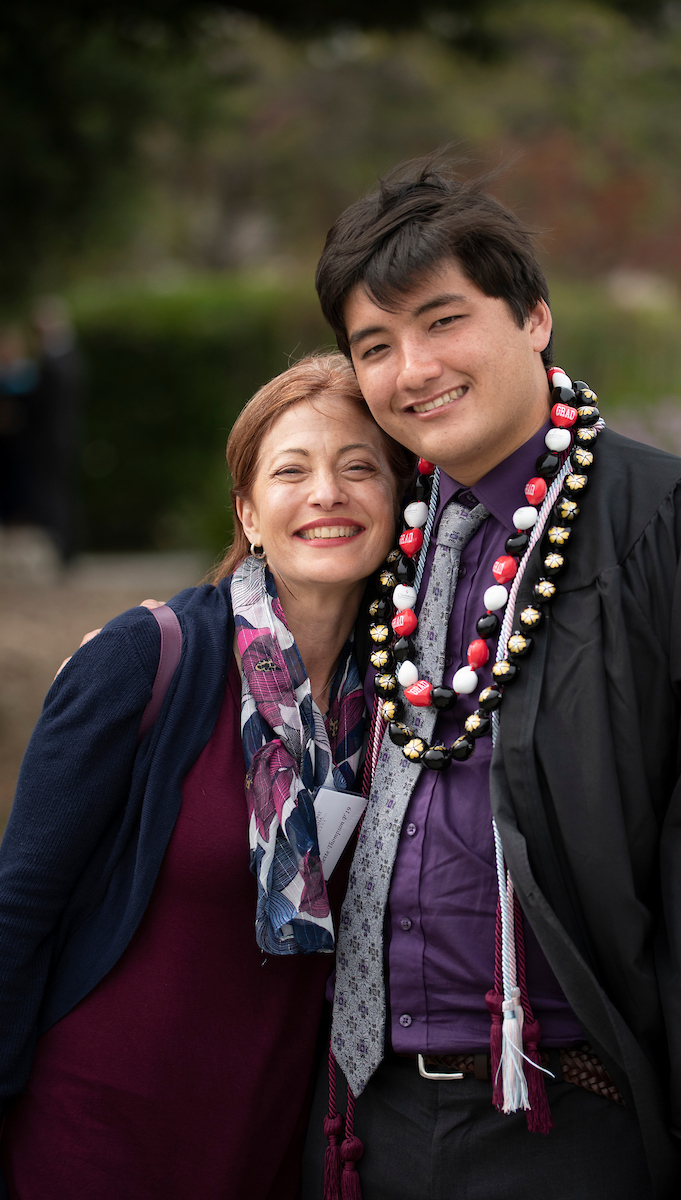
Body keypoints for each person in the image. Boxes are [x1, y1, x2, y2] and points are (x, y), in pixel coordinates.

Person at [301, 163, 681, 1198]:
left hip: (580, 1119)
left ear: (533, 316)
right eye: (374, 346)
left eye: (443, 321)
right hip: (368, 1124)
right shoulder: (380, 542)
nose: (413, 368)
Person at [0, 353, 413, 1200]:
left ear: (398, 502)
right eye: (291, 470)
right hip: (92, 1137)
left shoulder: (402, 706)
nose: (327, 493)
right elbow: (19, 905)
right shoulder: (146, 658)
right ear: (249, 513)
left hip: (262, 1144)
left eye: (359, 467)